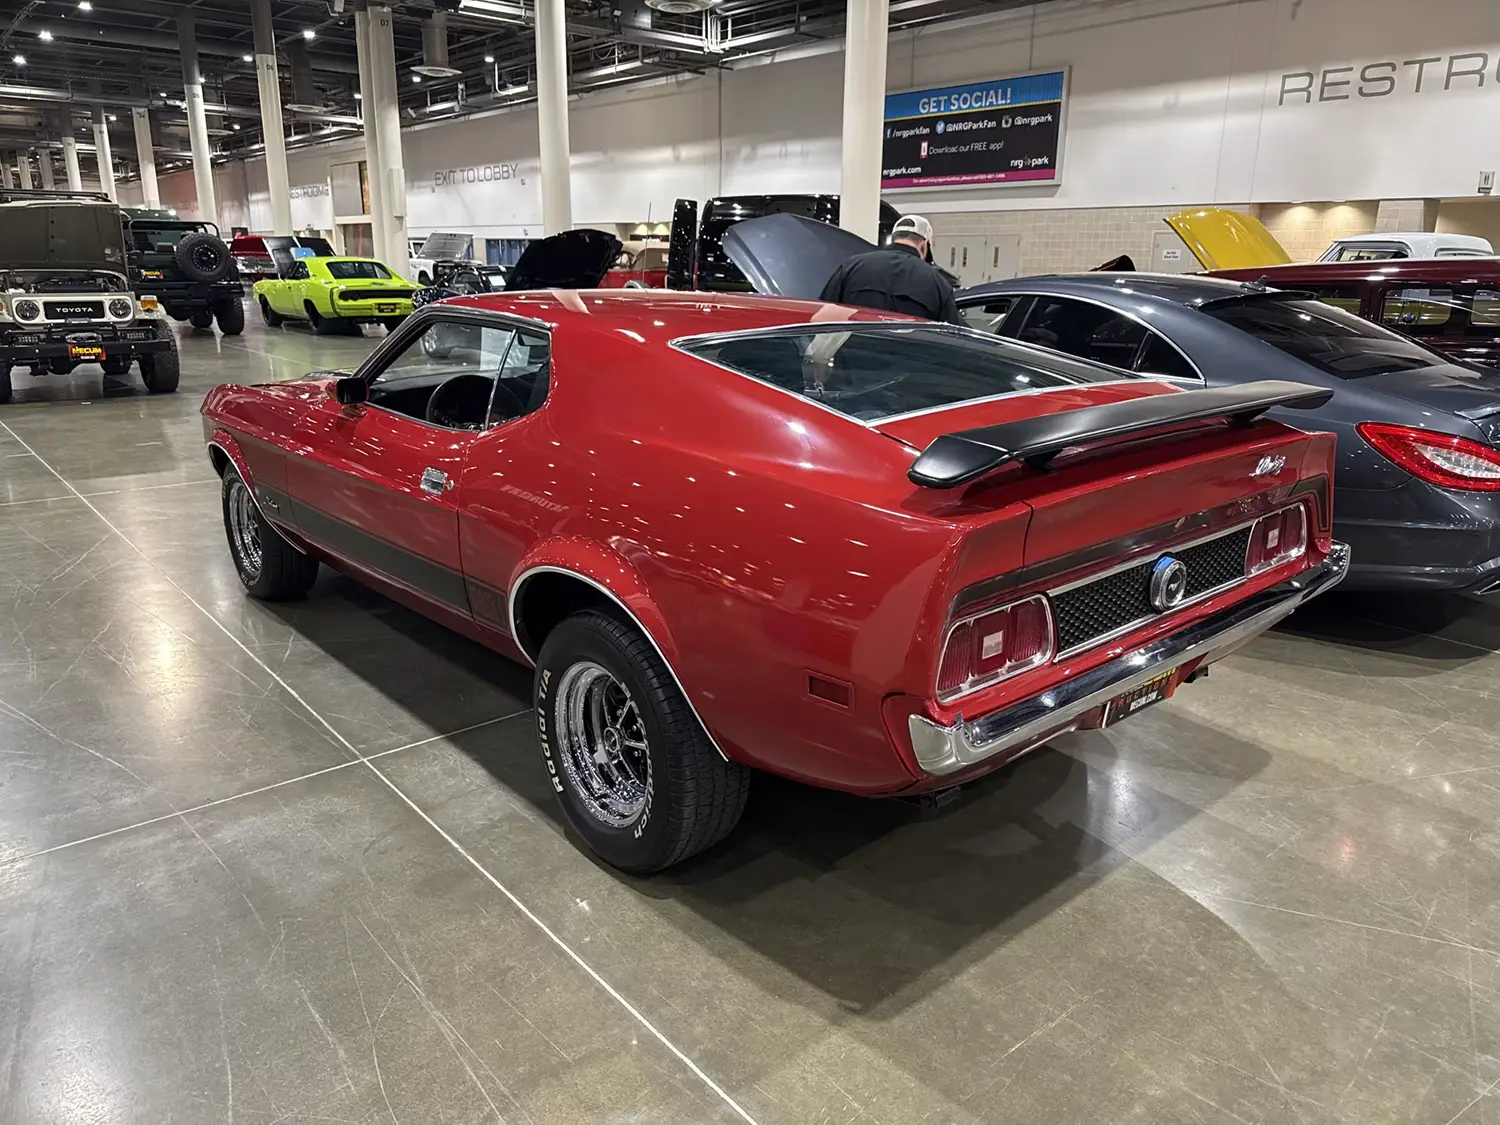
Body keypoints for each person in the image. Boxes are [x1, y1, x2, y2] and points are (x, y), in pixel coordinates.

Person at [818, 214, 965, 325]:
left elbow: (822, 312)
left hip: (854, 353)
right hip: (908, 356)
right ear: (924, 245)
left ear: (894, 238)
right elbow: (953, 333)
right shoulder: (937, 282)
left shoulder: (852, 266)